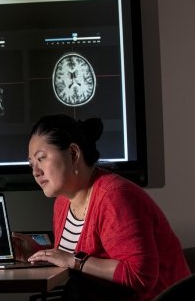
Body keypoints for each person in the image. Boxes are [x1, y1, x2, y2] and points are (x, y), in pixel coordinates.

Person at [14, 114, 190, 301]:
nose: (35, 172)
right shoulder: (62, 202)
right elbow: (81, 256)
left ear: (73, 154)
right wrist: (38, 252)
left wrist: (73, 261)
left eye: (41, 158)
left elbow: (140, 276)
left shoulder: (113, 196)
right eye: (31, 164)